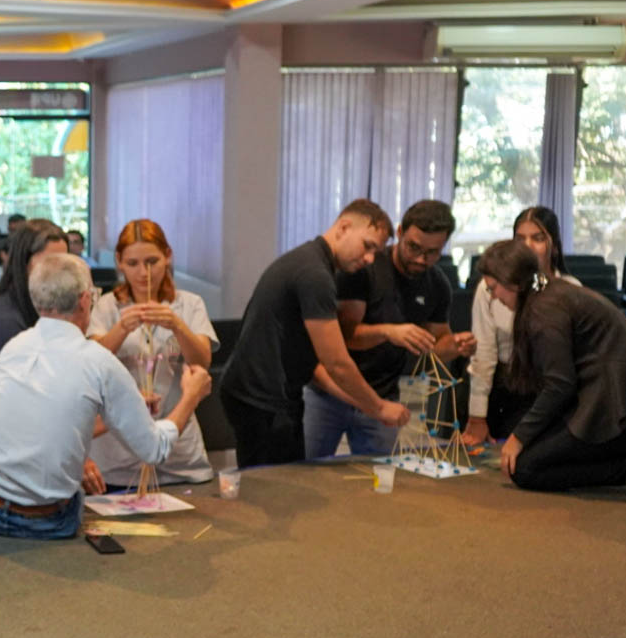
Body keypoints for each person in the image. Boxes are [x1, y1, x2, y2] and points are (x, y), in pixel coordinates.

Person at [0, 254, 213, 539]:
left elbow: (50, 427)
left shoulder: (14, 347)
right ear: (84, 300)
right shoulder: (99, 362)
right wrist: (192, 396)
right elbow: (154, 449)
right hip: (39, 520)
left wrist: (119, 415)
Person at [474, 241, 626, 498]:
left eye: (494, 288)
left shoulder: (543, 312)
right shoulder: (552, 291)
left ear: (514, 283)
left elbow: (560, 385)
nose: (494, 297)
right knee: (532, 445)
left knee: (525, 469)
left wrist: (518, 438)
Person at [219, 200, 410, 467]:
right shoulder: (314, 274)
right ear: (344, 227)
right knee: (273, 491)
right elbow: (337, 363)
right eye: (368, 246)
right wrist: (378, 407)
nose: (369, 259)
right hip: (264, 400)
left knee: (285, 485)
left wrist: (369, 406)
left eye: (376, 253)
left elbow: (315, 368)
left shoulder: (309, 262)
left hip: (258, 395)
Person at [304, 200, 478, 459]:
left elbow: (433, 351)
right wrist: (390, 332)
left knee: (381, 479)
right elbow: (345, 337)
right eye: (414, 247)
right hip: (331, 392)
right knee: (306, 472)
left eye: (432, 252)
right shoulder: (364, 266)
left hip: (385, 396)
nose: (421, 258)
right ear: (399, 233)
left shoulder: (437, 284)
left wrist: (455, 346)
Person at [87, 220, 217, 486]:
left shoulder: (189, 304)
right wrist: (121, 328)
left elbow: (203, 361)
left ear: (167, 256)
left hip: (178, 451)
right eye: (133, 263)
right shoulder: (106, 306)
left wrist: (176, 325)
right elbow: (91, 362)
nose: (143, 273)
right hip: (118, 455)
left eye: (152, 261)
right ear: (119, 262)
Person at [461, 207, 584, 447]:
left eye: (537, 238)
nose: (527, 245)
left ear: (554, 246)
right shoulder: (490, 287)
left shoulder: (570, 288)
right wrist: (477, 415)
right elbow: (484, 354)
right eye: (520, 239)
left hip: (553, 390)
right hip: (505, 389)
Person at [0, 220, 68, 450]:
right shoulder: (3, 319)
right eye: (49, 262)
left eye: (65, 264)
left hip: (18, 428)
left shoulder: (42, 307)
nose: (58, 272)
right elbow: (30, 395)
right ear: (23, 262)